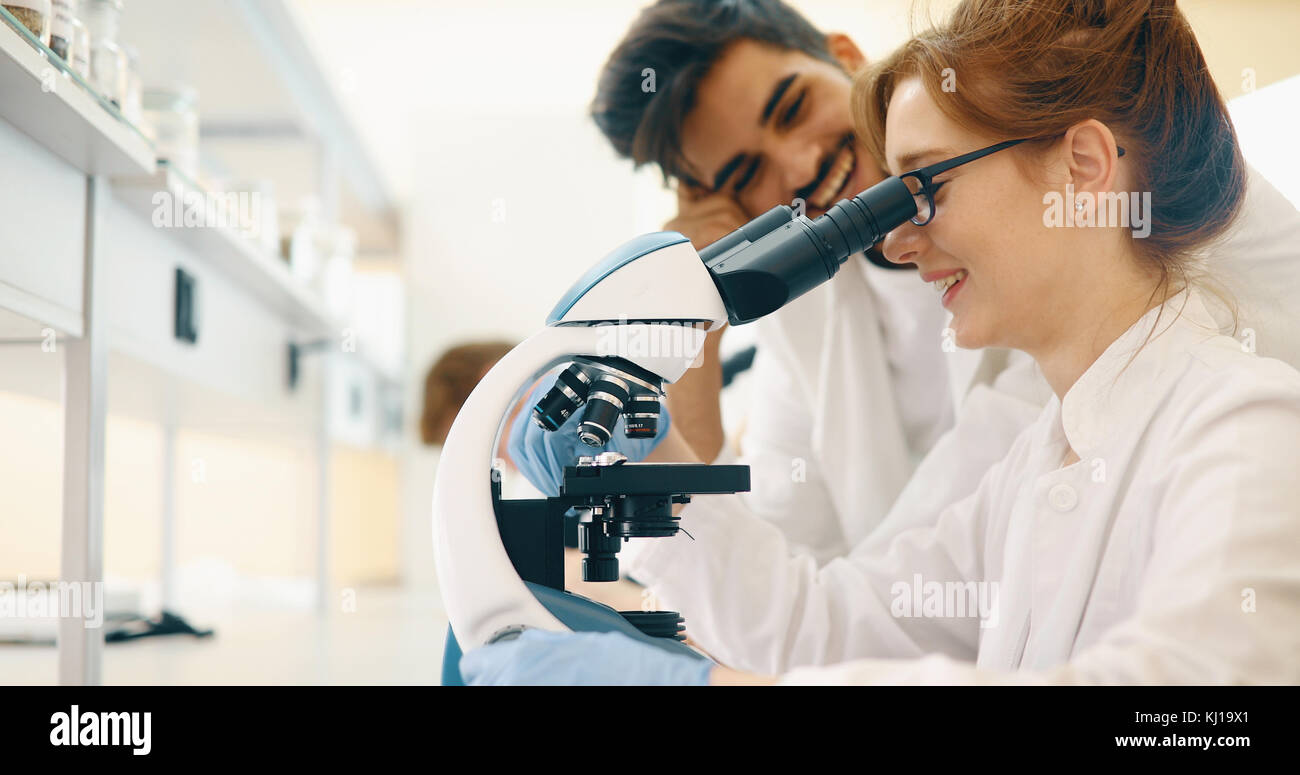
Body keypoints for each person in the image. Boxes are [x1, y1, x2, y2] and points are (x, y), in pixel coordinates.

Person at [466, 0, 1300, 684]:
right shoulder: (1031, 472)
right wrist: (647, 472)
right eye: (743, 174)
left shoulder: (1246, 422)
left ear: (1081, 166)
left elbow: (1198, 711)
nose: (897, 238)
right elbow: (817, 622)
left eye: (926, 187)